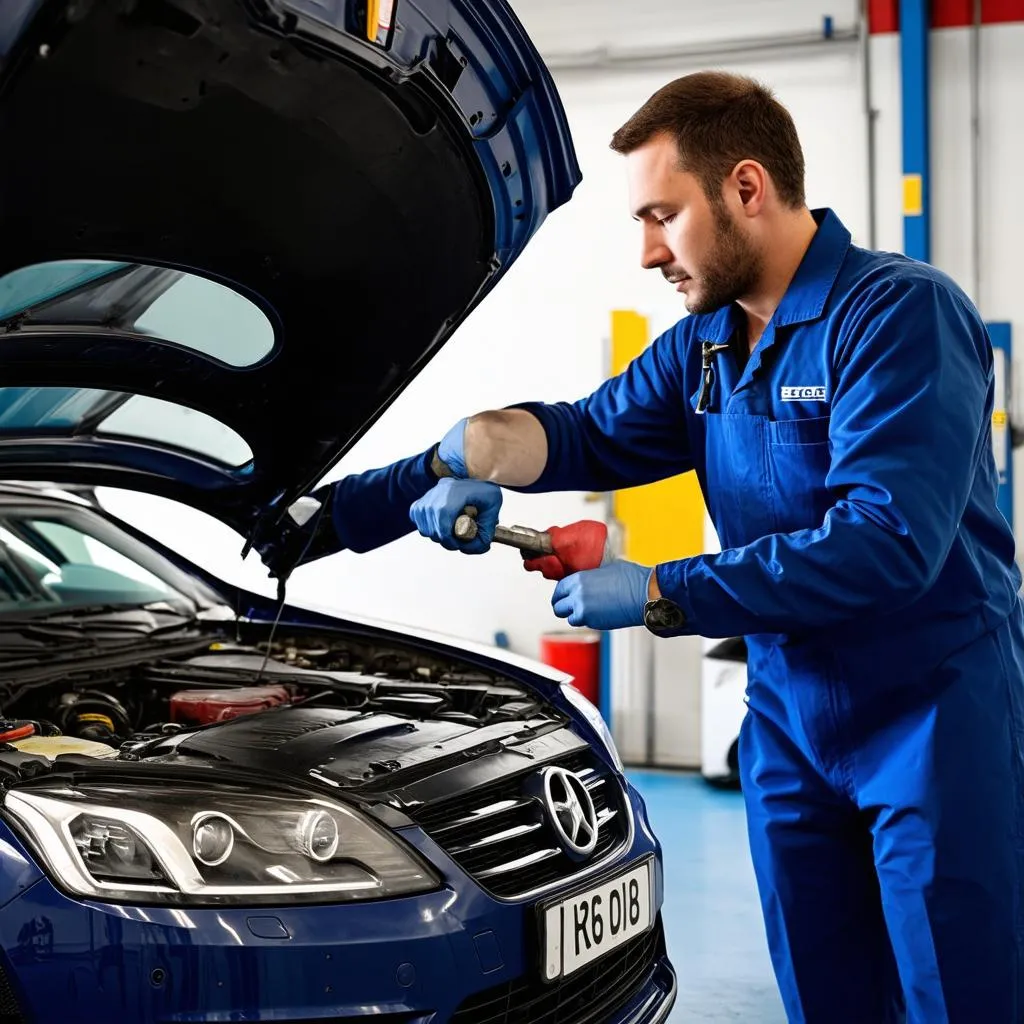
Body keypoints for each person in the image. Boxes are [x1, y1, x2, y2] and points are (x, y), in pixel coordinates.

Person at [257, 71, 1024, 1022]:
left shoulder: (897, 316)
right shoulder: (708, 341)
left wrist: (660, 589)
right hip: (790, 715)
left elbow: (885, 544)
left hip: (930, 714)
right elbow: (587, 433)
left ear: (746, 188)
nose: (649, 252)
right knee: (824, 989)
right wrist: (461, 455)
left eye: (663, 215)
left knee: (956, 990)